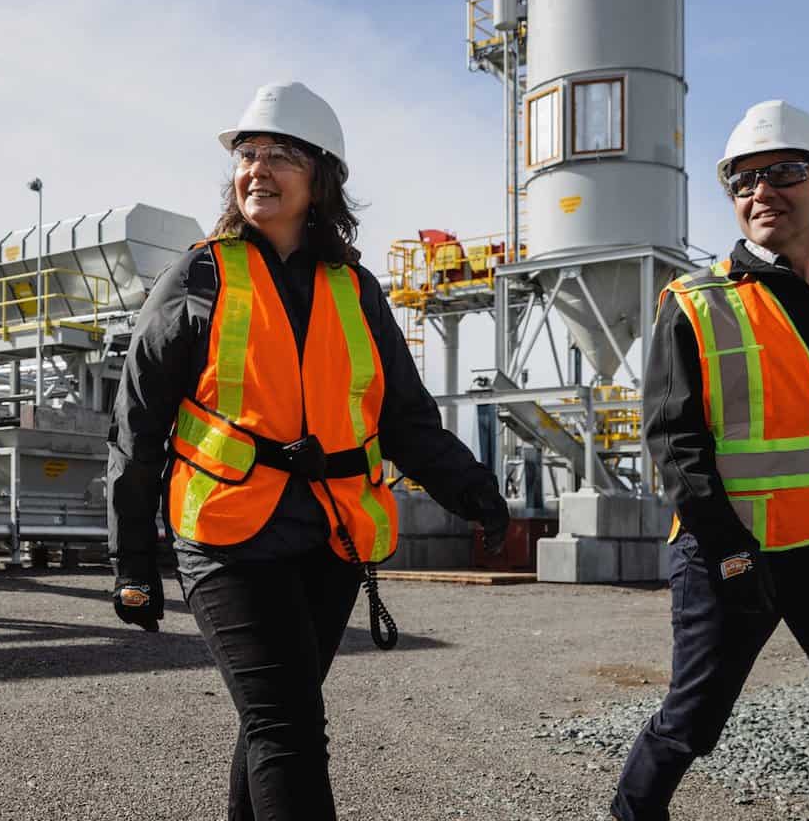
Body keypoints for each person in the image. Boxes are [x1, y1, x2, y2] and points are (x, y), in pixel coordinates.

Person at [106, 80, 511, 821]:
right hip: (227, 532)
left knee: (275, 718)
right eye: (248, 154)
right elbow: (136, 428)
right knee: (288, 726)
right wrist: (131, 559)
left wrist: (474, 492)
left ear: (320, 178)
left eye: (280, 155)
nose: (257, 168)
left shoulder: (353, 288)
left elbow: (406, 419)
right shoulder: (196, 277)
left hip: (328, 534)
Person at [610, 100, 809, 820]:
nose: (760, 192)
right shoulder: (697, 300)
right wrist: (727, 551)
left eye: (782, 172)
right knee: (691, 723)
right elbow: (673, 438)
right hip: (734, 551)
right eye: (741, 181)